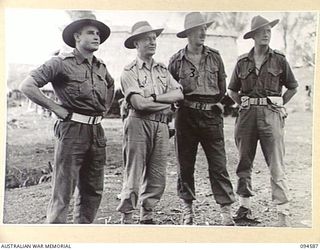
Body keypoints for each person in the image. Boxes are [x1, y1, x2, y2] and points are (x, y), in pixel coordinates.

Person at [19, 16, 115, 223]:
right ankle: (55, 238)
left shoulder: (101, 67)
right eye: (91, 32)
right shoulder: (61, 63)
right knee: (63, 192)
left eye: (98, 34)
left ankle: (81, 236)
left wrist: (104, 110)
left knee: (93, 191)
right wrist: (54, 107)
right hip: (72, 130)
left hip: (97, 132)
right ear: (77, 36)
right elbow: (27, 85)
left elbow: (110, 86)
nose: (96, 37)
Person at [227, 15, 298, 227]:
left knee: (276, 163)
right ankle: (244, 207)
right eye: (262, 31)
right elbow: (231, 89)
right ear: (254, 36)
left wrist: (278, 105)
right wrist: (244, 103)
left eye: (269, 30)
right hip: (247, 115)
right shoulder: (242, 61)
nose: (266, 34)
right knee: (244, 162)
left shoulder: (279, 59)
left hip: (271, 114)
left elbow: (293, 86)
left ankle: (282, 212)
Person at [168, 12, 235, 226]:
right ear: (188, 33)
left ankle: (226, 210)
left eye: (204, 29)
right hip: (185, 115)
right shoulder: (176, 60)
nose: (203, 32)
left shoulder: (215, 57)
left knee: (218, 163)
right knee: (185, 163)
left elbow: (222, 89)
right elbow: (170, 90)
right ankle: (187, 208)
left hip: (211, 116)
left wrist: (215, 105)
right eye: (198, 29)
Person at [116, 21, 183, 224]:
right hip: (138, 124)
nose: (152, 42)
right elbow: (138, 104)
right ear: (136, 43)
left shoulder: (163, 70)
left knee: (157, 173)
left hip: (162, 126)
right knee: (134, 171)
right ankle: (127, 216)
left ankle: (147, 214)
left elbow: (179, 94)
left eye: (154, 38)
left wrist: (153, 98)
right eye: (147, 38)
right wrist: (165, 103)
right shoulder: (130, 71)